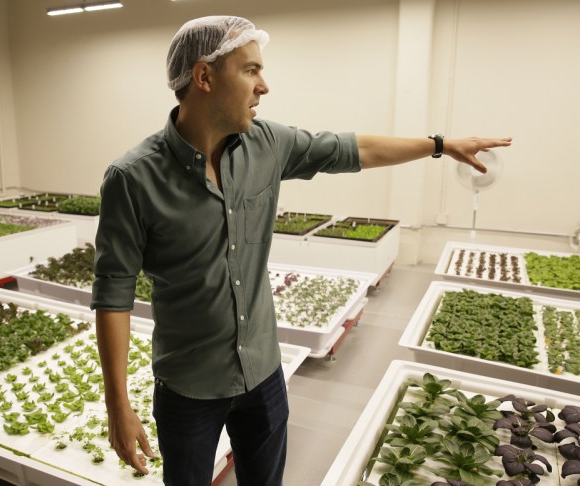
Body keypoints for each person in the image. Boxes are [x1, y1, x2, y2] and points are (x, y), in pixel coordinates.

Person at [90, 15, 511, 486]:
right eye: (250, 70)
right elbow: (113, 294)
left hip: (263, 374)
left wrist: (439, 145)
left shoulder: (266, 144)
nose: (263, 86)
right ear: (204, 77)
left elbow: (354, 150)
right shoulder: (132, 178)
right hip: (189, 388)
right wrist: (117, 405)